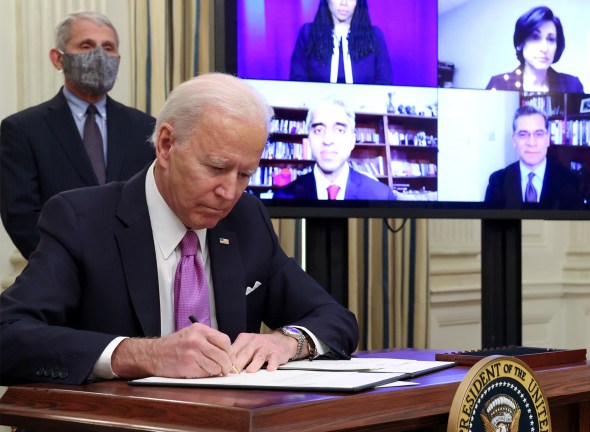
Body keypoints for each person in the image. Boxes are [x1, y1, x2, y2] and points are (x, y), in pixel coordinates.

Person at [0, 73, 359, 386]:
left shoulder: (246, 218)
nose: (229, 192)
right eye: (216, 167)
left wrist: (288, 341)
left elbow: (336, 319)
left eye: (244, 174)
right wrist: (142, 355)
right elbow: (9, 336)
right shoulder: (83, 218)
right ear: (166, 144)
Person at [0, 11, 155, 259]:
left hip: (133, 267)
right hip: (60, 271)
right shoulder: (23, 129)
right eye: (86, 46)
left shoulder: (144, 127)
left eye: (108, 47)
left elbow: (152, 204)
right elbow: (21, 216)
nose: (99, 56)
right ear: (58, 59)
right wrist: (68, 265)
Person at [274, 97, 397, 200]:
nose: (327, 140)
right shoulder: (283, 197)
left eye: (339, 130)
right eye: (318, 130)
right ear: (309, 139)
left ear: (352, 141)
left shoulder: (382, 195)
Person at [289, 0, 392, 85]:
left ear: (357, 1)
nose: (344, 2)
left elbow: (384, 82)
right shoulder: (308, 33)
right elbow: (298, 79)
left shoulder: (374, 35)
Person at [484, 105, 581, 208]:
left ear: (547, 139)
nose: (531, 143)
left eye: (539, 134)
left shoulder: (570, 181)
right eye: (523, 134)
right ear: (514, 140)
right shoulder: (497, 181)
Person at [486, 6, 583, 93]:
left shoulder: (572, 86)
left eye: (551, 39)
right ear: (520, 43)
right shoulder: (499, 85)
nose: (544, 48)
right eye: (535, 37)